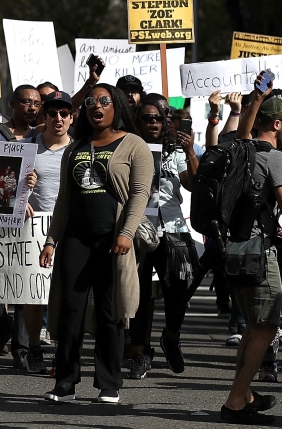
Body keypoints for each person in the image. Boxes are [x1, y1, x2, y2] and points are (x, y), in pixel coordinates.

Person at [42, 84, 152, 405]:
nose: (96, 106)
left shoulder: (134, 145)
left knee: (109, 311)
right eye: (91, 101)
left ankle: (108, 383)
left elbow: (139, 194)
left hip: (113, 239)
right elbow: (64, 200)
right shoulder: (74, 148)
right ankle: (65, 382)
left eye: (104, 101)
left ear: (116, 106)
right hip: (76, 238)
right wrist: (51, 241)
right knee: (70, 310)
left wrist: (126, 233)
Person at [219, 73, 282, 425]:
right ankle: (235, 401)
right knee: (267, 328)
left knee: (253, 327)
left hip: (235, 249)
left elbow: (244, 129)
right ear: (276, 124)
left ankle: (243, 394)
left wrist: (257, 96)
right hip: (260, 253)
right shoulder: (274, 158)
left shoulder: (239, 149)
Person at [125, 99, 200, 380]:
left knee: (179, 292)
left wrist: (190, 151)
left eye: (159, 118)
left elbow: (193, 184)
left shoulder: (176, 151)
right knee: (140, 294)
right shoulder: (128, 148)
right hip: (139, 230)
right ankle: (140, 353)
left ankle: (171, 337)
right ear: (137, 122)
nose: (154, 123)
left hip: (172, 228)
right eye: (148, 118)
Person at [0, 84, 42, 367]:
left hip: (29, 220)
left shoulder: (41, 137)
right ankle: (1, 326)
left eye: (37, 103)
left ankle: (21, 348)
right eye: (27, 102)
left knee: (23, 281)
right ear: (13, 103)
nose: (32, 107)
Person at [21, 90, 74, 373]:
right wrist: (22, 193)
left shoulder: (80, 150)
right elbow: (2, 185)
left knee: (65, 294)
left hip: (67, 229)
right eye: (52, 113)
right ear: (44, 117)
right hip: (34, 228)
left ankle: (60, 350)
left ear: (71, 118)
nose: (58, 118)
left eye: (64, 113)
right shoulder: (27, 147)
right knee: (34, 292)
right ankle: (34, 347)